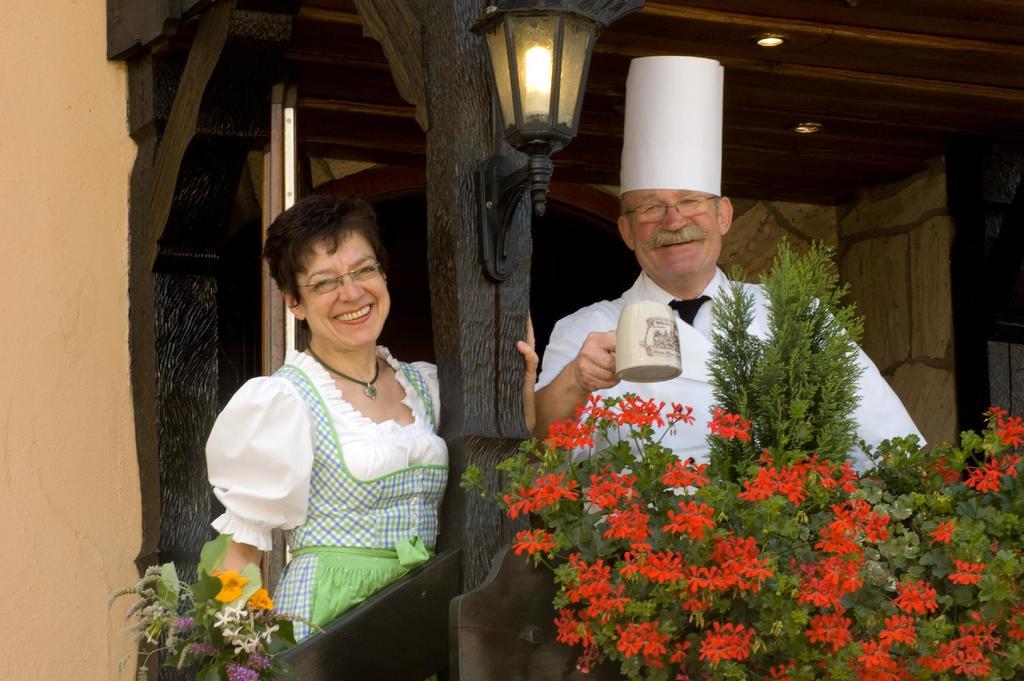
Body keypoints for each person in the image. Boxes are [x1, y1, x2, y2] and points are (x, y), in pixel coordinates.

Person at [533, 56, 922, 467]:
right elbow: (541, 458)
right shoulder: (586, 330)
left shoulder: (797, 318)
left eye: (689, 201)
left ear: (724, 216)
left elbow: (891, 448)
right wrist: (577, 381)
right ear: (627, 231)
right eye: (650, 207)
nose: (674, 220)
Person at [205, 194, 447, 640]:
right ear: (294, 301)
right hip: (328, 622)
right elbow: (240, 556)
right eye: (325, 283)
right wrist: (245, 659)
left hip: (419, 619)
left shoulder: (424, 387)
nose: (352, 293)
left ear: (383, 274)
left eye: (364, 269)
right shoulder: (284, 401)